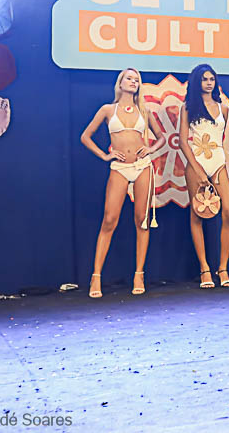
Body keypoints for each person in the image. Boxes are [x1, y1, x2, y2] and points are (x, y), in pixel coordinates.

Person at [80, 68, 165, 298]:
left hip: (142, 166)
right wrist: (104, 155)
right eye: (129, 78)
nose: (133, 82)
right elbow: (85, 136)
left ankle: (139, 274)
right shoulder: (108, 110)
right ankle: (96, 276)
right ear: (120, 82)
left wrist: (150, 149)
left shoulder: (144, 110)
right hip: (119, 167)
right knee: (109, 219)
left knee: (142, 220)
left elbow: (162, 138)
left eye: (136, 79)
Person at [178, 64, 229, 289]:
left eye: (212, 79)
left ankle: (223, 268)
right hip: (196, 164)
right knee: (197, 215)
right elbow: (183, 141)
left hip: (218, 164)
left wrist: (220, 167)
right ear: (197, 82)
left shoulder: (224, 109)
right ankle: (204, 269)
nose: (209, 83)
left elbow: (220, 140)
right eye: (204, 79)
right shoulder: (188, 107)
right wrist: (199, 171)